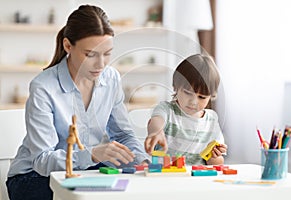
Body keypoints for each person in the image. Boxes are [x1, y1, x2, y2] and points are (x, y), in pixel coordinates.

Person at [6, 5, 149, 200]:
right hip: (33, 177)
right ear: (68, 46)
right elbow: (41, 160)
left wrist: (143, 161)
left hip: (84, 170)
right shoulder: (43, 87)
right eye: (90, 54)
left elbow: (123, 135)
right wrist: (92, 155)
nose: (101, 64)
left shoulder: (111, 79)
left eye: (107, 53)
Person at [144, 54, 227, 165]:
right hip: (166, 177)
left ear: (211, 96)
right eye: (188, 93)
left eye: (201, 97)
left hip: (194, 179)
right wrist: (156, 132)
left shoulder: (212, 119)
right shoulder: (167, 110)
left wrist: (215, 156)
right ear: (176, 86)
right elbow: (156, 121)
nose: (193, 102)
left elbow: (216, 163)